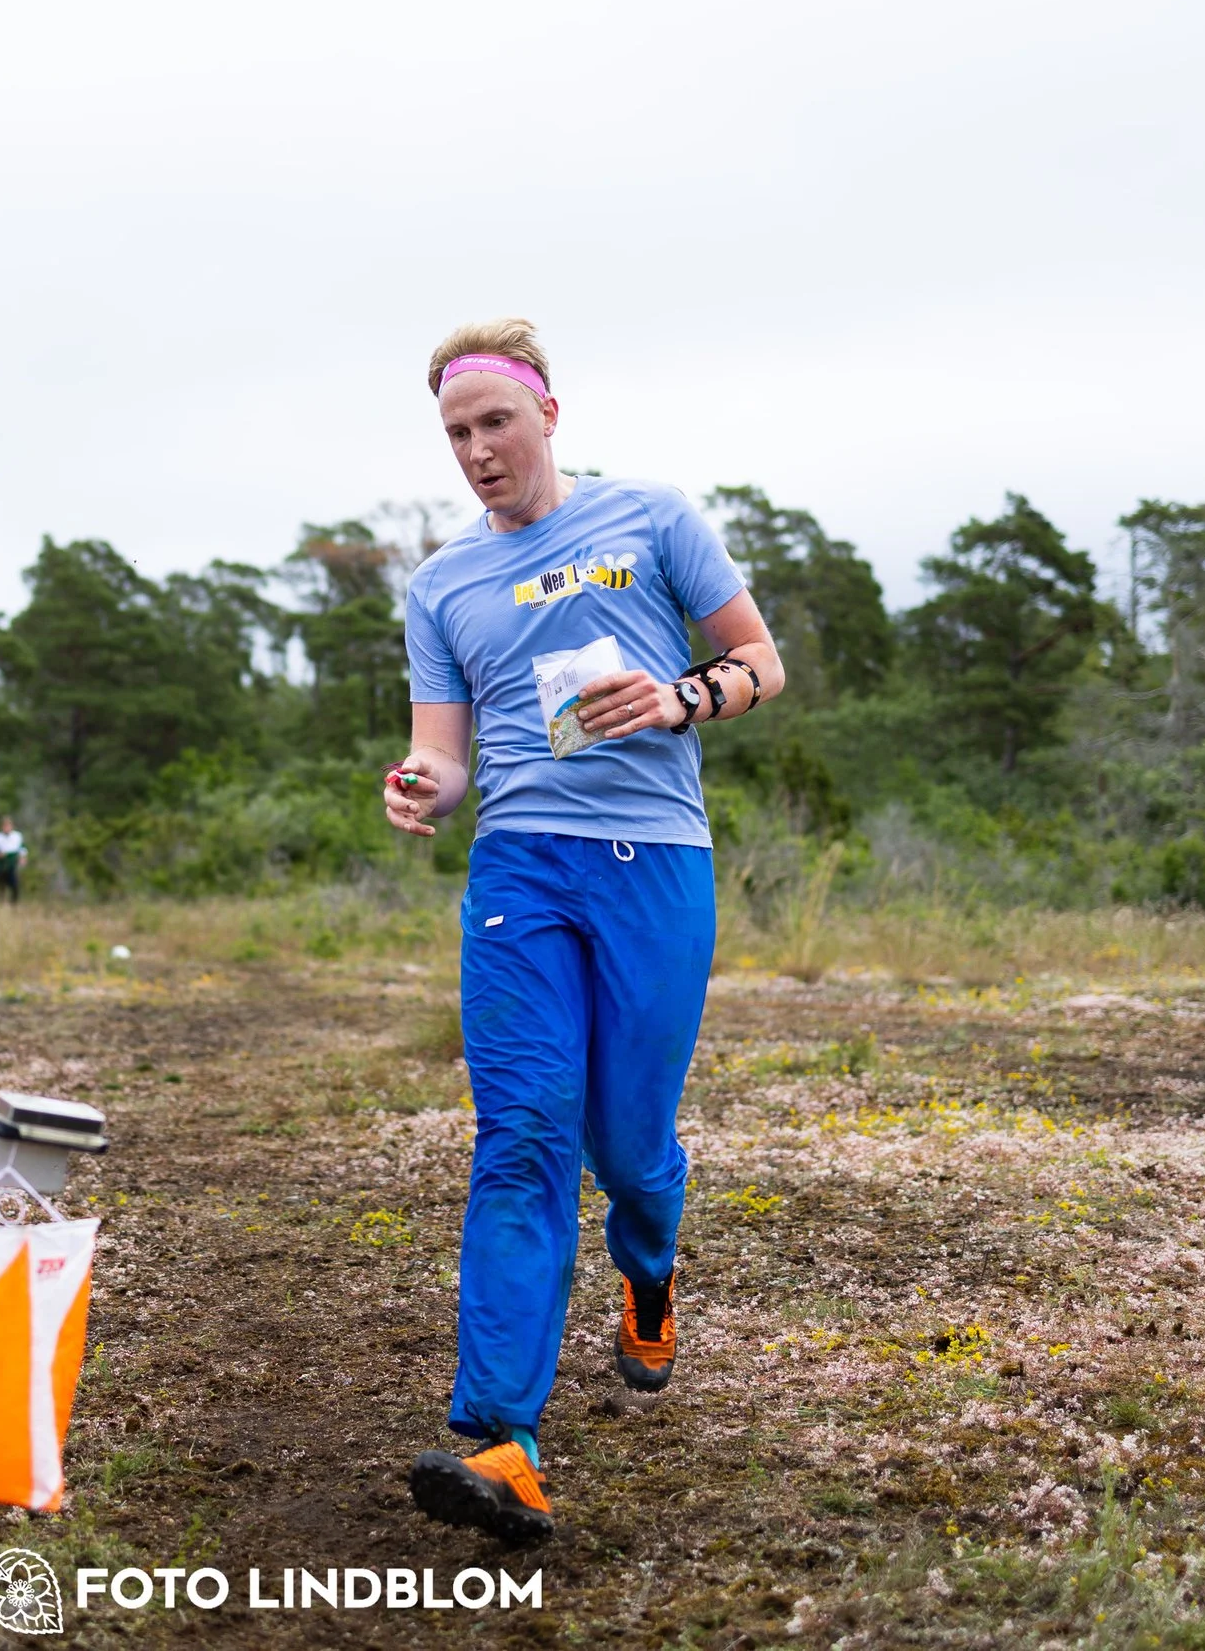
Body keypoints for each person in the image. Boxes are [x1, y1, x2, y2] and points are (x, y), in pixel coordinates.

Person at [385, 318, 783, 1544]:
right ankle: (501, 1438)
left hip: (656, 865)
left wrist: (678, 697)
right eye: (455, 434)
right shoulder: (442, 585)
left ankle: (648, 1264)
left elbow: (761, 660)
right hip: (520, 873)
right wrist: (420, 784)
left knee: (628, 1141)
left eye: (494, 422)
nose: (477, 451)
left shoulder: (652, 519)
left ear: (547, 411)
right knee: (521, 1132)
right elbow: (446, 757)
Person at [0, 816, 28, 903]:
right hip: (1, 864)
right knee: (1, 886)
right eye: (4, 826)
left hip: (12, 863)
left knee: (14, 885)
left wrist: (23, 857)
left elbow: (22, 848)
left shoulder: (17, 836)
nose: (6, 828)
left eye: (8, 826)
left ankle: (14, 904)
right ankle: (1, 903)